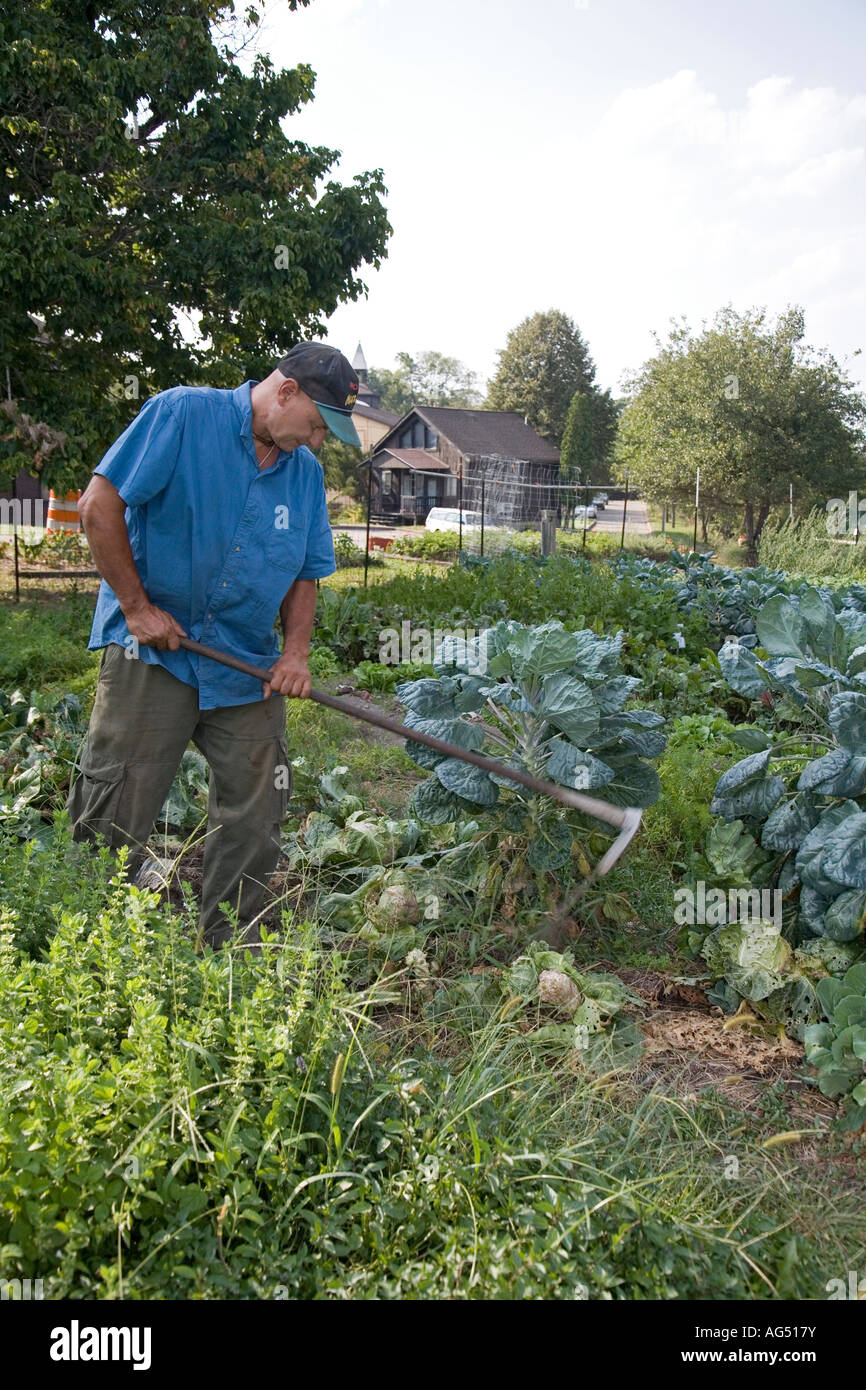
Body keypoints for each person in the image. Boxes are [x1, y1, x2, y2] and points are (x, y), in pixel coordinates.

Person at [67, 343, 360, 950]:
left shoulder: (304, 475)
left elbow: (306, 571)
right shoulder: (182, 415)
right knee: (116, 802)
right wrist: (137, 608)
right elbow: (99, 505)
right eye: (315, 424)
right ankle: (83, 944)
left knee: (259, 809)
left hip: (243, 664)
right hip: (155, 653)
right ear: (286, 393)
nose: (316, 441)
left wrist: (295, 653)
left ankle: (228, 951)